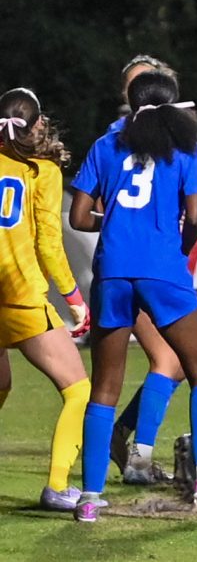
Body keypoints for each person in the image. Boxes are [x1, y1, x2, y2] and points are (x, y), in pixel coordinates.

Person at [69, 71, 197, 522]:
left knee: (104, 389)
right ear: (173, 104)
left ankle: (89, 497)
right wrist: (177, 254)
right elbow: (196, 217)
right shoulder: (187, 148)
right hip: (163, 270)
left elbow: (79, 216)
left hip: (112, 272)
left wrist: (119, 227)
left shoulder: (106, 145)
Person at [106, 55, 197, 485]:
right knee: (170, 359)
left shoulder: (145, 139)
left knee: (175, 362)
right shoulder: (122, 138)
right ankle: (138, 454)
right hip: (139, 261)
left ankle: (125, 437)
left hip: (133, 260)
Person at [0, 88, 92, 511]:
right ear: (36, 125)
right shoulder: (42, 170)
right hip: (20, 297)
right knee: (78, 390)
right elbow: (50, 246)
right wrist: (74, 298)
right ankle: (58, 486)